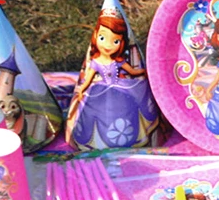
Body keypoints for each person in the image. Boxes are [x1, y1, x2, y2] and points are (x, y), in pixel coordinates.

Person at [66, 9, 159, 149]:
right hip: (101, 89)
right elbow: (88, 79)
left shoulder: (119, 61)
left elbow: (132, 71)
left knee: (135, 99)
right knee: (92, 107)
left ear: (121, 42)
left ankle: (134, 135)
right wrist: (81, 90)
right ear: (96, 36)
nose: (108, 45)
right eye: (102, 38)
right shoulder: (96, 62)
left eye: (115, 41)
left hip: (121, 86)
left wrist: (146, 71)